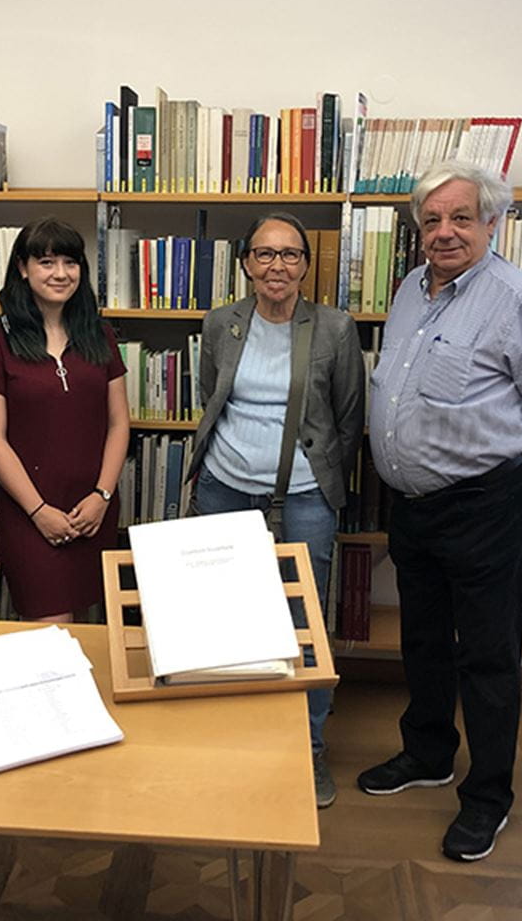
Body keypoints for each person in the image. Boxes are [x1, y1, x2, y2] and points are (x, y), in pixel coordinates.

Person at [356, 160, 522, 862]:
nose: (444, 232)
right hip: (415, 506)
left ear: (492, 222)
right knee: (422, 640)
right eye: (431, 220)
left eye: (460, 217)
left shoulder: (521, 300)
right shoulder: (409, 291)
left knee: (486, 658)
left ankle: (487, 797)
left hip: (487, 504)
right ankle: (427, 755)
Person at [188, 212, 364, 809]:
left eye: (290, 255)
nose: (277, 267)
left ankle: (308, 746)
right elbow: (212, 397)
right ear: (245, 264)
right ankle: (231, 734)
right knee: (225, 620)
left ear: (306, 266)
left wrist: (316, 476)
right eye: (264, 255)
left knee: (303, 626)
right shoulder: (221, 324)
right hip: (223, 490)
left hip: (306, 496)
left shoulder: (335, 329)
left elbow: (347, 420)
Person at [0, 217, 129, 622]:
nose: (60, 274)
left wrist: (102, 497)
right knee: (51, 638)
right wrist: (39, 511)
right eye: (47, 262)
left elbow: (119, 423)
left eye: (70, 263)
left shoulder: (100, 336)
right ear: (22, 267)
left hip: (95, 509)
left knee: (97, 636)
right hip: (30, 515)